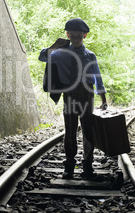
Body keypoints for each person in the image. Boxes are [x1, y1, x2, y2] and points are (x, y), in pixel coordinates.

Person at [38, 18, 107, 179]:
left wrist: (103, 99)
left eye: (79, 36)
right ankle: (69, 165)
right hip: (69, 95)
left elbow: (97, 77)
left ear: (85, 36)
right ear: (68, 35)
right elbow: (42, 57)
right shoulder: (60, 54)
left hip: (87, 96)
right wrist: (55, 45)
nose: (76, 39)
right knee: (70, 131)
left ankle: (87, 166)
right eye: (73, 36)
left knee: (88, 132)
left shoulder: (90, 56)